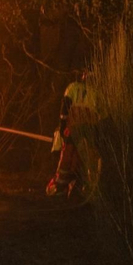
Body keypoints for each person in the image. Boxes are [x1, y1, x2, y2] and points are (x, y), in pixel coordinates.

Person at [46, 69, 100, 197]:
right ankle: (76, 186)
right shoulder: (97, 93)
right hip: (88, 131)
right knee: (80, 158)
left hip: (74, 128)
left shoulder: (73, 87)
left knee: (68, 155)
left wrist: (62, 125)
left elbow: (65, 107)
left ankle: (60, 186)